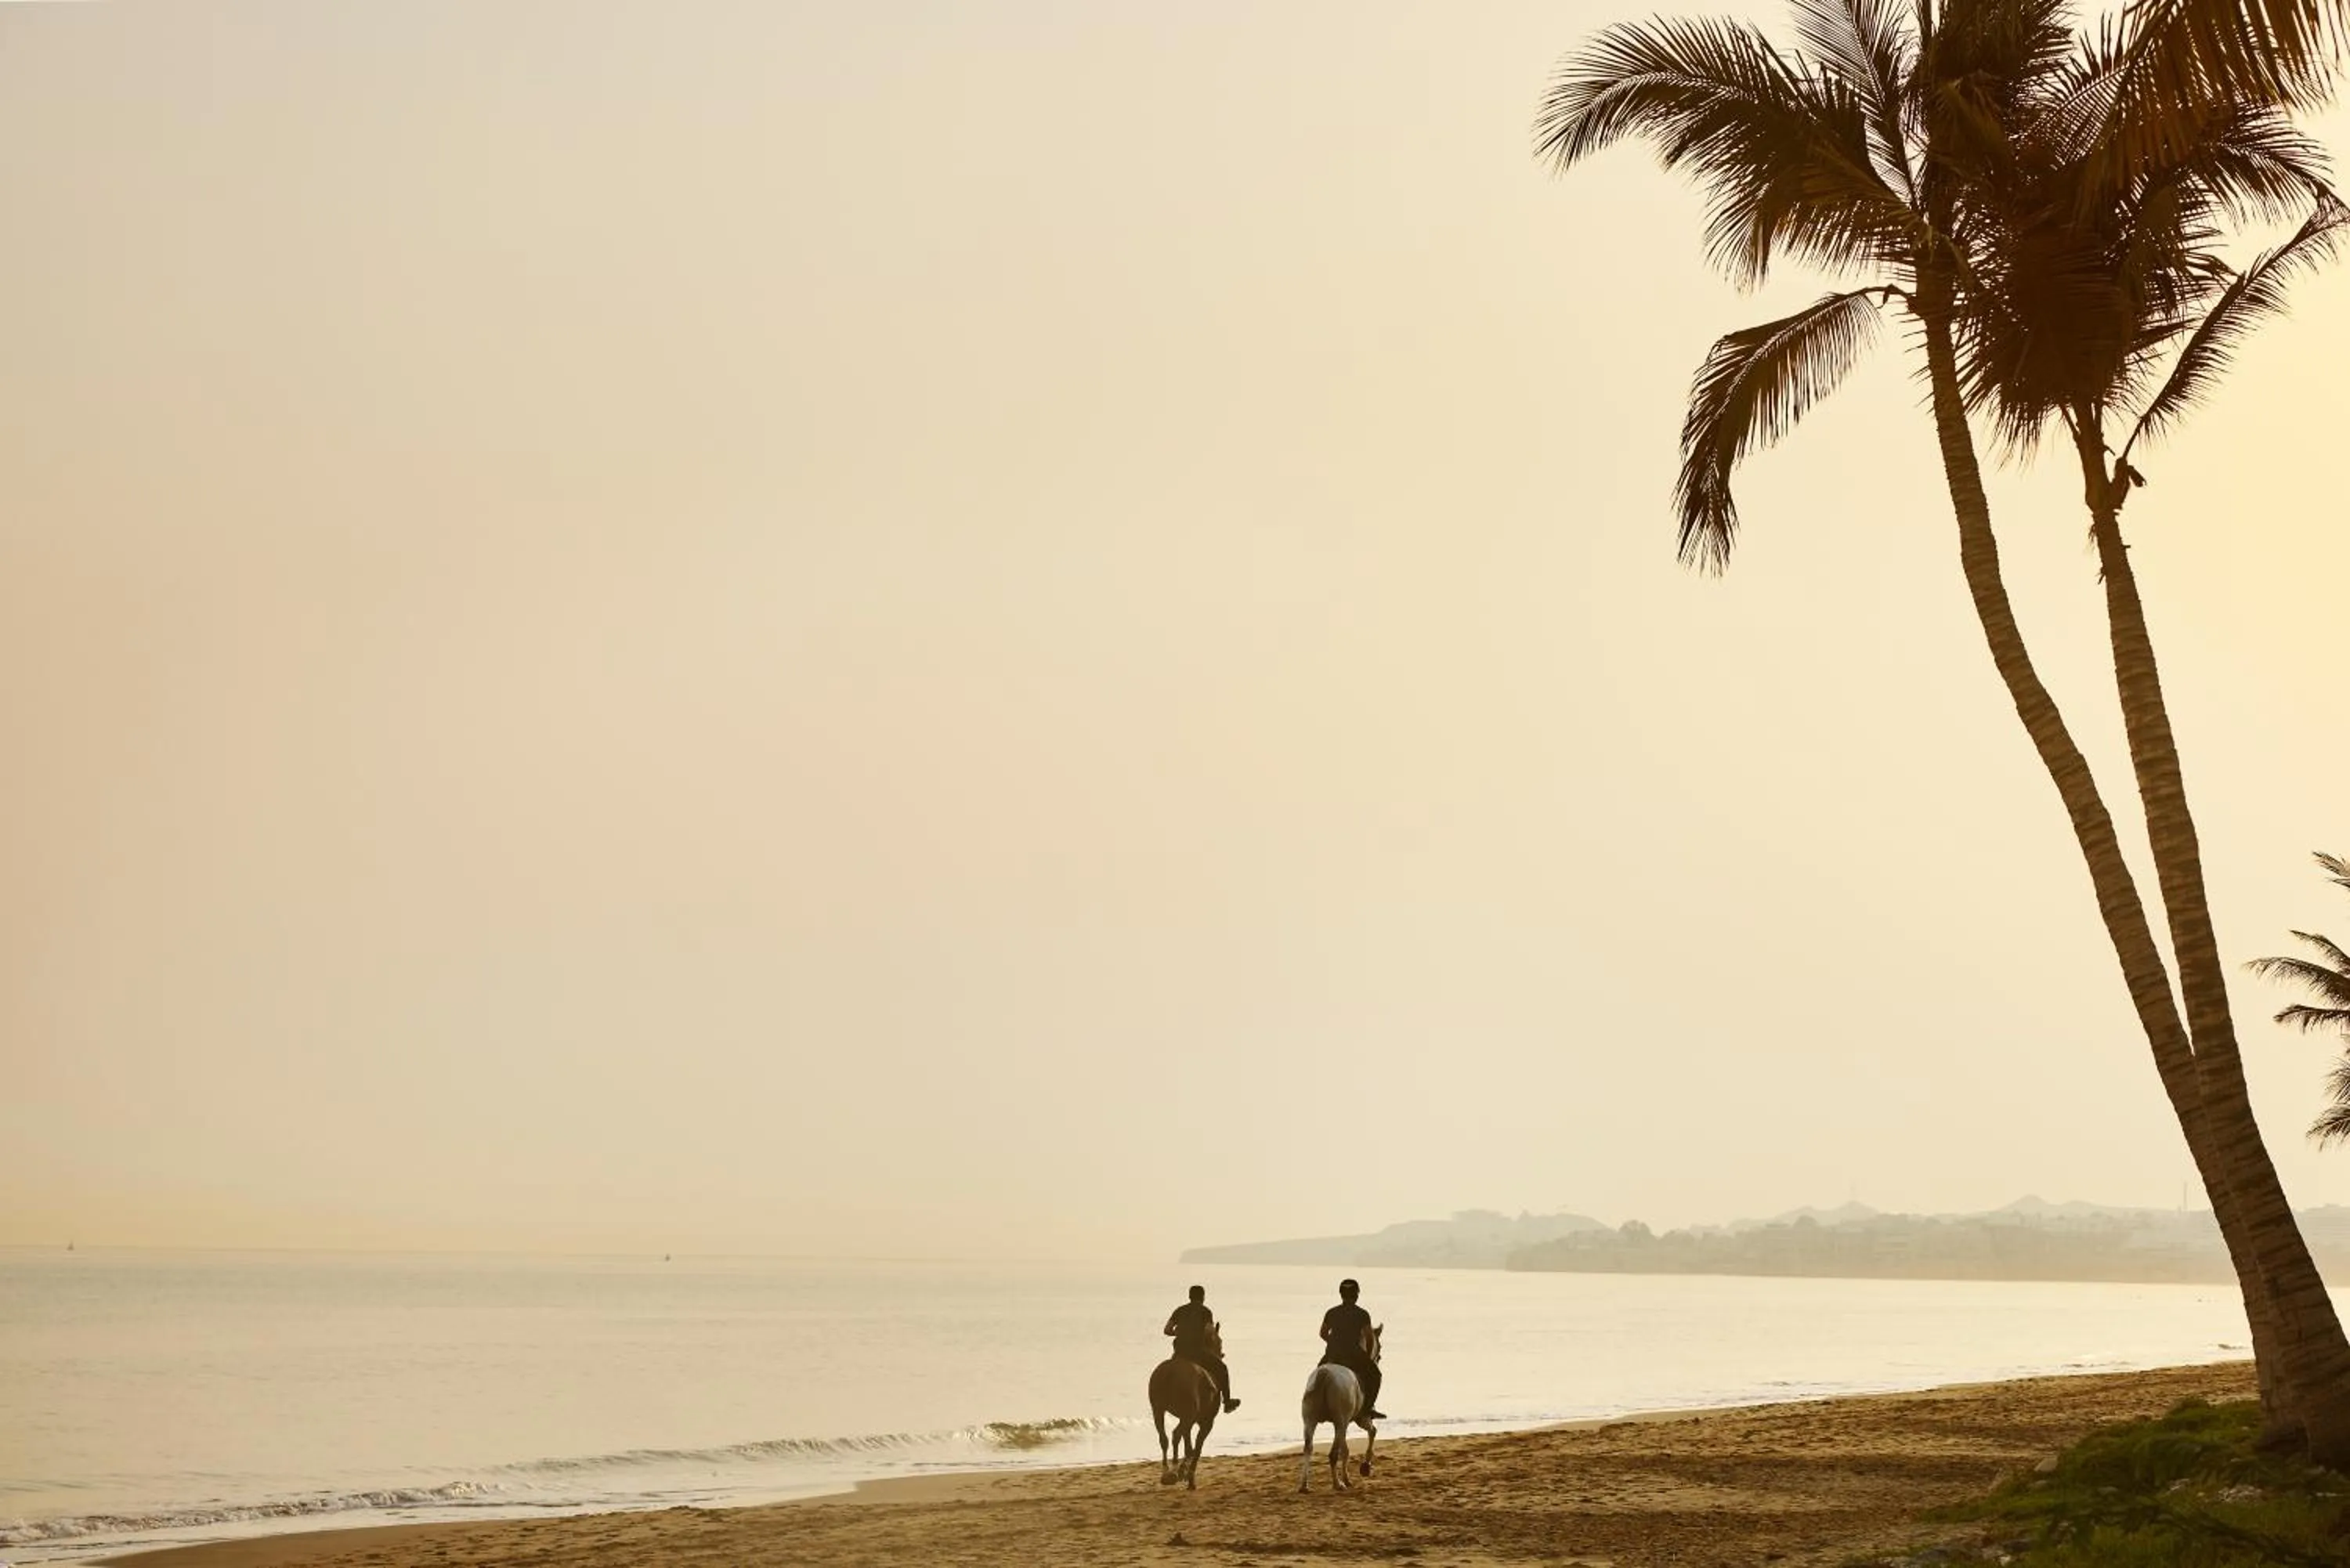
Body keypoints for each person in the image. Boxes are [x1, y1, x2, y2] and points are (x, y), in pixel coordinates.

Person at [1164, 1284, 1240, 1413]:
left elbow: (1167, 1330)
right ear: (1203, 1297)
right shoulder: (1205, 1312)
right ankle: (1227, 1402)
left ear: (1189, 1296)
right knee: (1222, 1368)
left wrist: (1179, 1332)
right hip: (1196, 1352)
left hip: (1179, 1352)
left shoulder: (1179, 1310)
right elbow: (1209, 1331)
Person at [1318, 1277, 1384, 1419]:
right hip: (1354, 1355)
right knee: (1376, 1376)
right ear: (1356, 1295)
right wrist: (1368, 1357)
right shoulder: (1362, 1314)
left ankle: (1316, 1405)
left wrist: (1333, 1343)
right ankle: (1368, 1409)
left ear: (1341, 1294)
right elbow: (1369, 1338)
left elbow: (1322, 1333)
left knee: (1318, 1373)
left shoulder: (1331, 1312)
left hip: (1333, 1354)